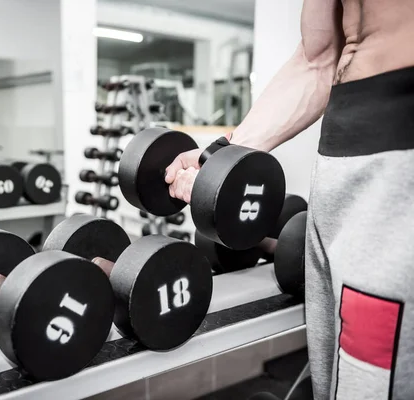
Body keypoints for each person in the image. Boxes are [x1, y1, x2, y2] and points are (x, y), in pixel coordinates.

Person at [161, 0, 414, 398]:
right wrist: (219, 156)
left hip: (400, 164)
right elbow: (316, 60)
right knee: (335, 375)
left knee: (373, 375)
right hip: (338, 161)